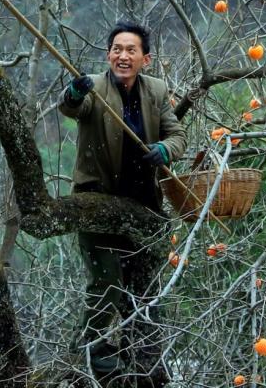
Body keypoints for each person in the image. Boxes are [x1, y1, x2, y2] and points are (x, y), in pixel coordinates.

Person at [58, 20, 187, 385]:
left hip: (143, 205)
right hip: (97, 201)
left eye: (131, 50)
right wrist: (73, 92)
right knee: (108, 282)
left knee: (144, 290)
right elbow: (71, 108)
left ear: (145, 58)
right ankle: (92, 353)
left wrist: (165, 149)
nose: (123, 56)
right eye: (117, 49)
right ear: (108, 55)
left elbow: (177, 135)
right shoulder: (95, 89)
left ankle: (142, 364)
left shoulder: (156, 91)